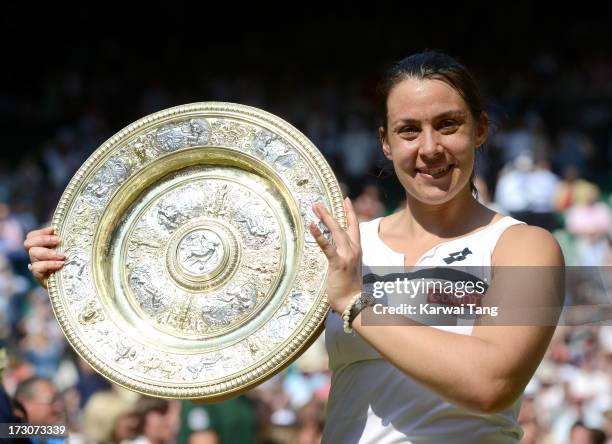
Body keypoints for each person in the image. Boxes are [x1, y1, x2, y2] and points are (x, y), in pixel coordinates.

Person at [25, 51, 564, 443]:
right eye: (409, 130)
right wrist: (75, 275)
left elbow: (491, 383)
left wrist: (357, 304)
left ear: (481, 131)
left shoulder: (526, 247)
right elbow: (213, 379)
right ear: (385, 141)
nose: (429, 148)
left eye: (448, 125)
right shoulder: (345, 246)